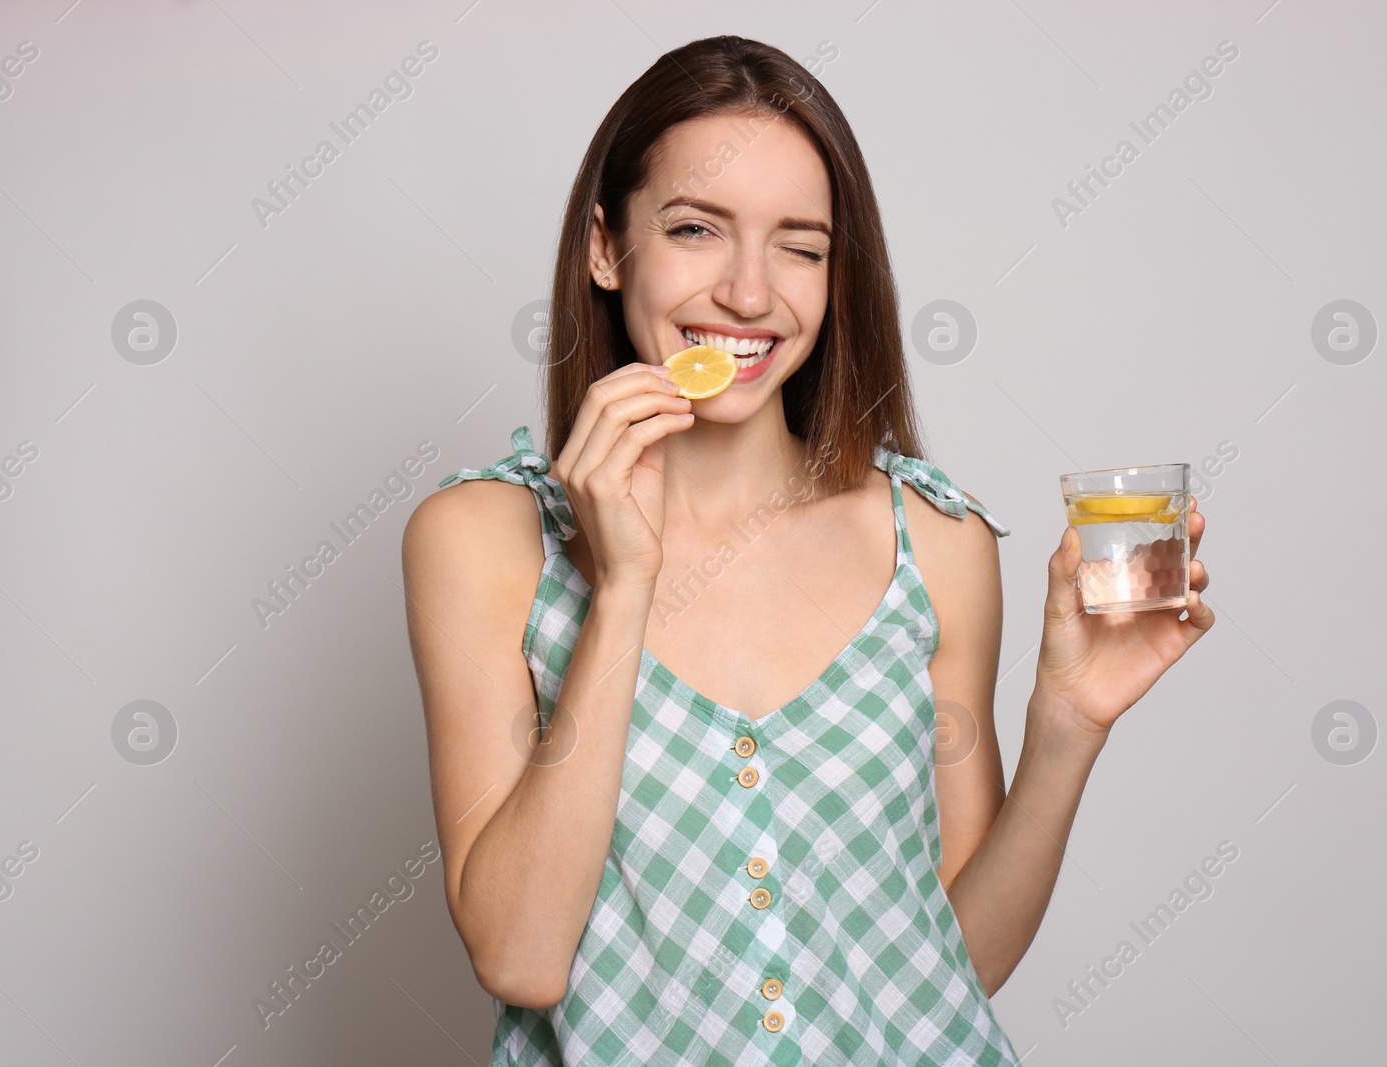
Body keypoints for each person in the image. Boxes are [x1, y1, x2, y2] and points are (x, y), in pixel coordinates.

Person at [400, 34, 1213, 1067]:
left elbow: (948, 964)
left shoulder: (939, 541)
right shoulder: (481, 541)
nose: (749, 292)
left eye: (799, 244)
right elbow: (521, 955)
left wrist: (1066, 726)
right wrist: (625, 585)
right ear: (607, 247)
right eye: (696, 228)